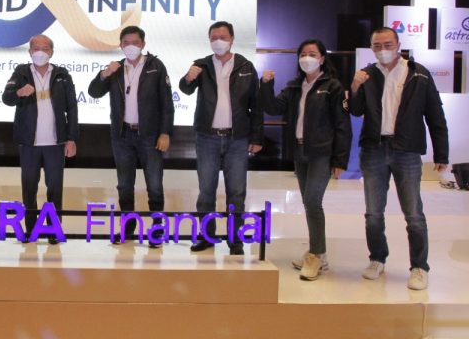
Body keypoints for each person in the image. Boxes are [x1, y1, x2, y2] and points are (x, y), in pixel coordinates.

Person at [349, 26, 449, 291]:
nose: (383, 50)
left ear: (398, 45)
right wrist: (355, 87)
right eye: (377, 46)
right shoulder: (367, 74)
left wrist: (442, 152)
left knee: (413, 213)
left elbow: (435, 115)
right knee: (373, 213)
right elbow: (356, 111)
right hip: (374, 149)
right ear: (372, 48)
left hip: (407, 151)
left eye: (387, 44)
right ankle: (377, 258)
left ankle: (419, 266)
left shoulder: (419, 74)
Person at [260, 39, 351, 280]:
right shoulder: (294, 87)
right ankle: (317, 252)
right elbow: (272, 107)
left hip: (322, 153)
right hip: (299, 151)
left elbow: (342, 124)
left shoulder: (332, 86)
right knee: (309, 203)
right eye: (302, 54)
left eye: (312, 53)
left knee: (313, 201)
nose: (306, 58)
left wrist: (340, 159)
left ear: (322, 59)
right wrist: (266, 85)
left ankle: (317, 255)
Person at [179, 21, 263, 255]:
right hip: (207, 137)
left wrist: (257, 137)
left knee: (236, 192)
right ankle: (206, 236)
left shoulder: (246, 66)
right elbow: (185, 89)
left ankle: (235, 240)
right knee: (206, 190)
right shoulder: (202, 65)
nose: (218, 41)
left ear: (232, 39)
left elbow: (256, 105)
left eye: (223, 37)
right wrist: (188, 78)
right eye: (214, 37)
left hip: (237, 139)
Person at [87, 26, 174, 246]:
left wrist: (165, 132)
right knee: (125, 186)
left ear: (143, 44)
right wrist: (104, 74)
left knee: (154, 185)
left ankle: (157, 229)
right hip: (122, 135)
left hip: (150, 136)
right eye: (126, 42)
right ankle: (128, 228)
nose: (130, 46)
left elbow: (167, 104)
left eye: (135, 42)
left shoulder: (156, 66)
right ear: (120, 45)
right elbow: (94, 92)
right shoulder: (116, 69)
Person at [1, 35, 78, 244]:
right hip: (29, 143)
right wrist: (19, 92)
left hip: (55, 142)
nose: (40, 52)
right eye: (36, 48)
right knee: (29, 187)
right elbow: (6, 98)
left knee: (55, 188)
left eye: (45, 48)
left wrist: (71, 138)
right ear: (29, 51)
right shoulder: (21, 73)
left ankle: (54, 229)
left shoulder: (62, 74)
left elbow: (72, 107)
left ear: (51, 51)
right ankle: (30, 229)